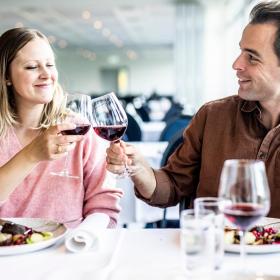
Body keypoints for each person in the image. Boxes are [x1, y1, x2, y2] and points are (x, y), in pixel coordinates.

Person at [106, 1, 280, 218]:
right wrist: (140, 169)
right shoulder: (213, 116)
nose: (236, 64)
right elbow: (171, 186)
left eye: (252, 57)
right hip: (210, 248)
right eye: (241, 51)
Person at [0, 27, 122, 228]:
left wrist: (81, 238)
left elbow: (104, 205)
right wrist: (31, 155)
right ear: (6, 76)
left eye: (50, 64)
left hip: (67, 251)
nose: (46, 74)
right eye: (32, 67)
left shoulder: (79, 129)